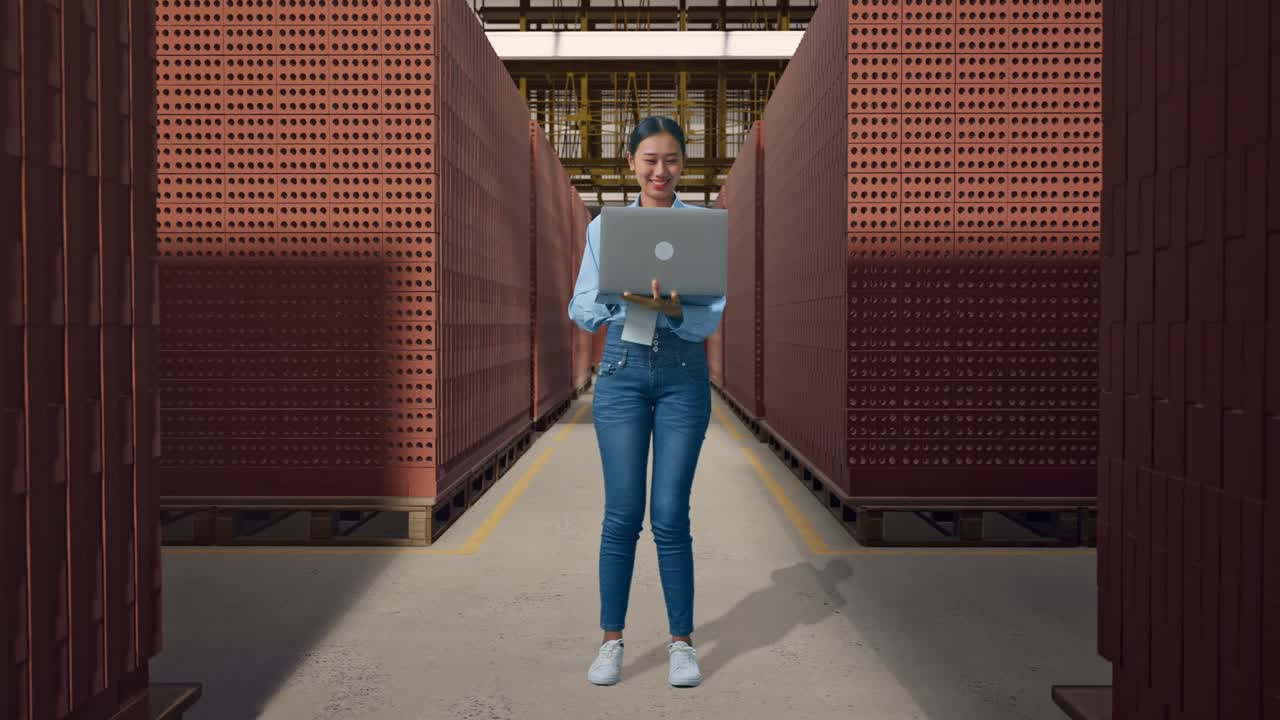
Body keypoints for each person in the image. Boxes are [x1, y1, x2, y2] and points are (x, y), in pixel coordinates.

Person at [567, 115, 726, 688]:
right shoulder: (606, 228)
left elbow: (713, 312)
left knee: (669, 516)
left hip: (682, 378)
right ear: (631, 164)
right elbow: (578, 306)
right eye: (650, 160)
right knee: (622, 514)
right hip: (623, 373)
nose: (662, 171)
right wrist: (621, 300)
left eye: (673, 160)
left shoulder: (704, 227)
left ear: (683, 165)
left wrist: (678, 310)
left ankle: (681, 643)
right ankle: (612, 642)